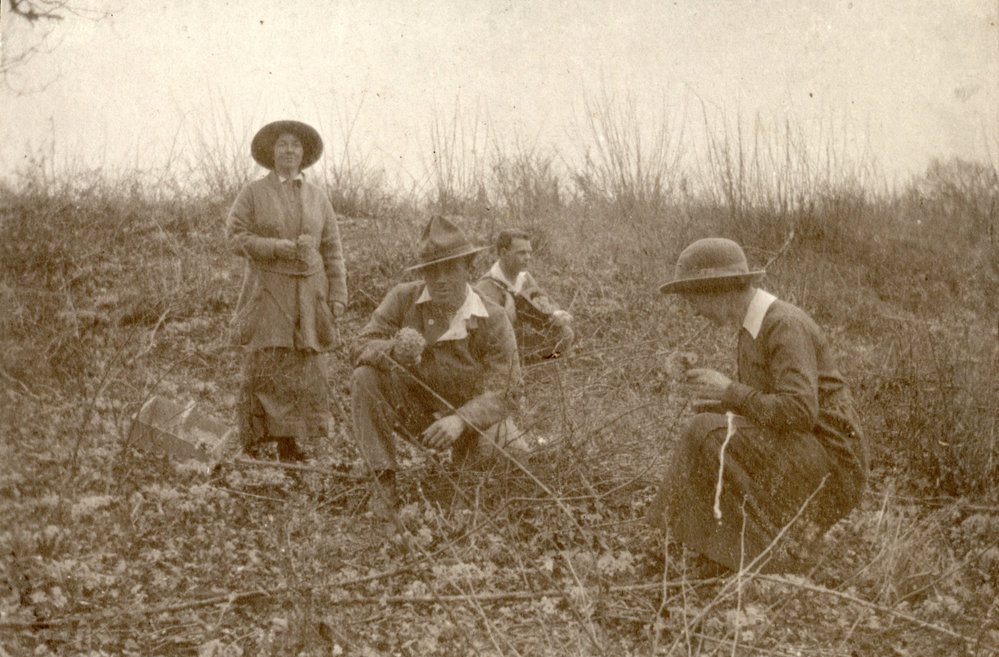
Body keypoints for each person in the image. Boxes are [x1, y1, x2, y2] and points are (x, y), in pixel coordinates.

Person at [648, 237, 868, 573]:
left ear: (719, 291)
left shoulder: (783, 324)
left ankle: (759, 557)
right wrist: (717, 397)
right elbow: (763, 411)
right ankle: (707, 550)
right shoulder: (753, 328)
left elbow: (798, 412)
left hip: (833, 470)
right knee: (706, 426)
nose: (693, 310)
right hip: (807, 454)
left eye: (694, 299)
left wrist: (729, 392)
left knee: (704, 430)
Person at [350, 216, 522, 510]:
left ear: (467, 268)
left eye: (450, 269)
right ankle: (383, 480)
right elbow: (359, 346)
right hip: (418, 414)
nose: (440, 279)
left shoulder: (492, 317)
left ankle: (463, 472)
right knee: (365, 376)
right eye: (432, 270)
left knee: (512, 454)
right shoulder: (404, 298)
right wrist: (394, 350)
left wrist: (461, 420)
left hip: (472, 422)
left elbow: (508, 389)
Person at [226, 120, 348, 462]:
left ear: (303, 154)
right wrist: (275, 246)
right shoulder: (252, 193)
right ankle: (254, 442)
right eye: (282, 144)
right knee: (265, 363)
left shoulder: (318, 197)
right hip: (267, 291)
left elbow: (333, 249)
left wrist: (337, 295)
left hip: (310, 295)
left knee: (302, 366)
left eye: (295, 145)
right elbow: (234, 237)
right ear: (271, 152)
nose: (289, 151)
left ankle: (290, 444)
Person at [475, 230, 574, 363]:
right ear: (504, 253)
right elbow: (484, 335)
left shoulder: (526, 278)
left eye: (529, 252)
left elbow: (543, 302)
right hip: (503, 347)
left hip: (528, 340)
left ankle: (545, 361)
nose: (528, 257)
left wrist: (554, 315)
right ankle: (526, 367)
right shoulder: (485, 287)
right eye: (521, 253)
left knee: (566, 335)